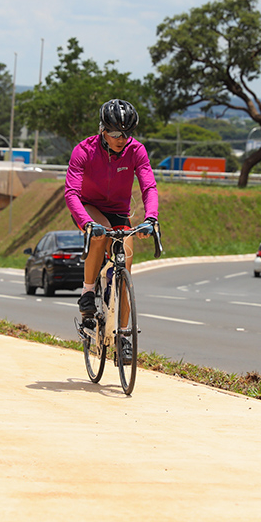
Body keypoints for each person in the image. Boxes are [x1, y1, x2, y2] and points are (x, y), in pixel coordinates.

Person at [64, 99, 159, 359]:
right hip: (89, 207)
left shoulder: (136, 151)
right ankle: (87, 292)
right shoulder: (84, 150)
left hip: (119, 211)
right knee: (101, 232)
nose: (121, 139)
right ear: (103, 130)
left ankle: (123, 335)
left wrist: (151, 218)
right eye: (116, 133)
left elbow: (148, 186)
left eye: (127, 133)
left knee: (126, 260)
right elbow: (71, 192)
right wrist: (86, 222)